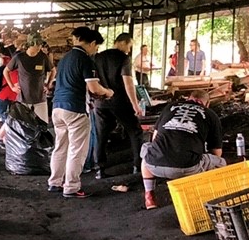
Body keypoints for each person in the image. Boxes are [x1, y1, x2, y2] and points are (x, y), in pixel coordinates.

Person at [47, 26, 114, 198]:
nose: (95, 50)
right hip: (75, 108)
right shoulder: (85, 59)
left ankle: (55, 182)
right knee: (77, 150)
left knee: (60, 147)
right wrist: (107, 92)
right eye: (96, 47)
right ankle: (71, 187)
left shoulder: (65, 58)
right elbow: (93, 88)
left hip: (57, 107)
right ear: (92, 43)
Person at [140, 89, 225, 210]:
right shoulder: (210, 114)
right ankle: (205, 199)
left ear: (189, 98)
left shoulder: (171, 106)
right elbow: (216, 153)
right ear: (207, 103)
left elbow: (155, 139)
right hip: (187, 167)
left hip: (154, 165)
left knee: (147, 150)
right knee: (221, 163)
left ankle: (149, 196)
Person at [93, 33, 146, 178]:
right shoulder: (123, 58)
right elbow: (128, 83)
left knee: (101, 135)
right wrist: (135, 105)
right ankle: (138, 165)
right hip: (120, 102)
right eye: (129, 46)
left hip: (101, 102)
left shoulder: (98, 57)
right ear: (122, 42)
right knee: (135, 132)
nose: (129, 50)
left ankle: (99, 169)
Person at [9, 33, 52, 122]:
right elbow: (6, 71)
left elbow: (53, 70)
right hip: (23, 99)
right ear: (32, 44)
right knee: (24, 126)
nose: (40, 47)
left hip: (40, 98)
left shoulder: (43, 57)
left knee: (43, 125)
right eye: (38, 45)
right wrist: (12, 87)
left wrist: (48, 84)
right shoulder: (19, 58)